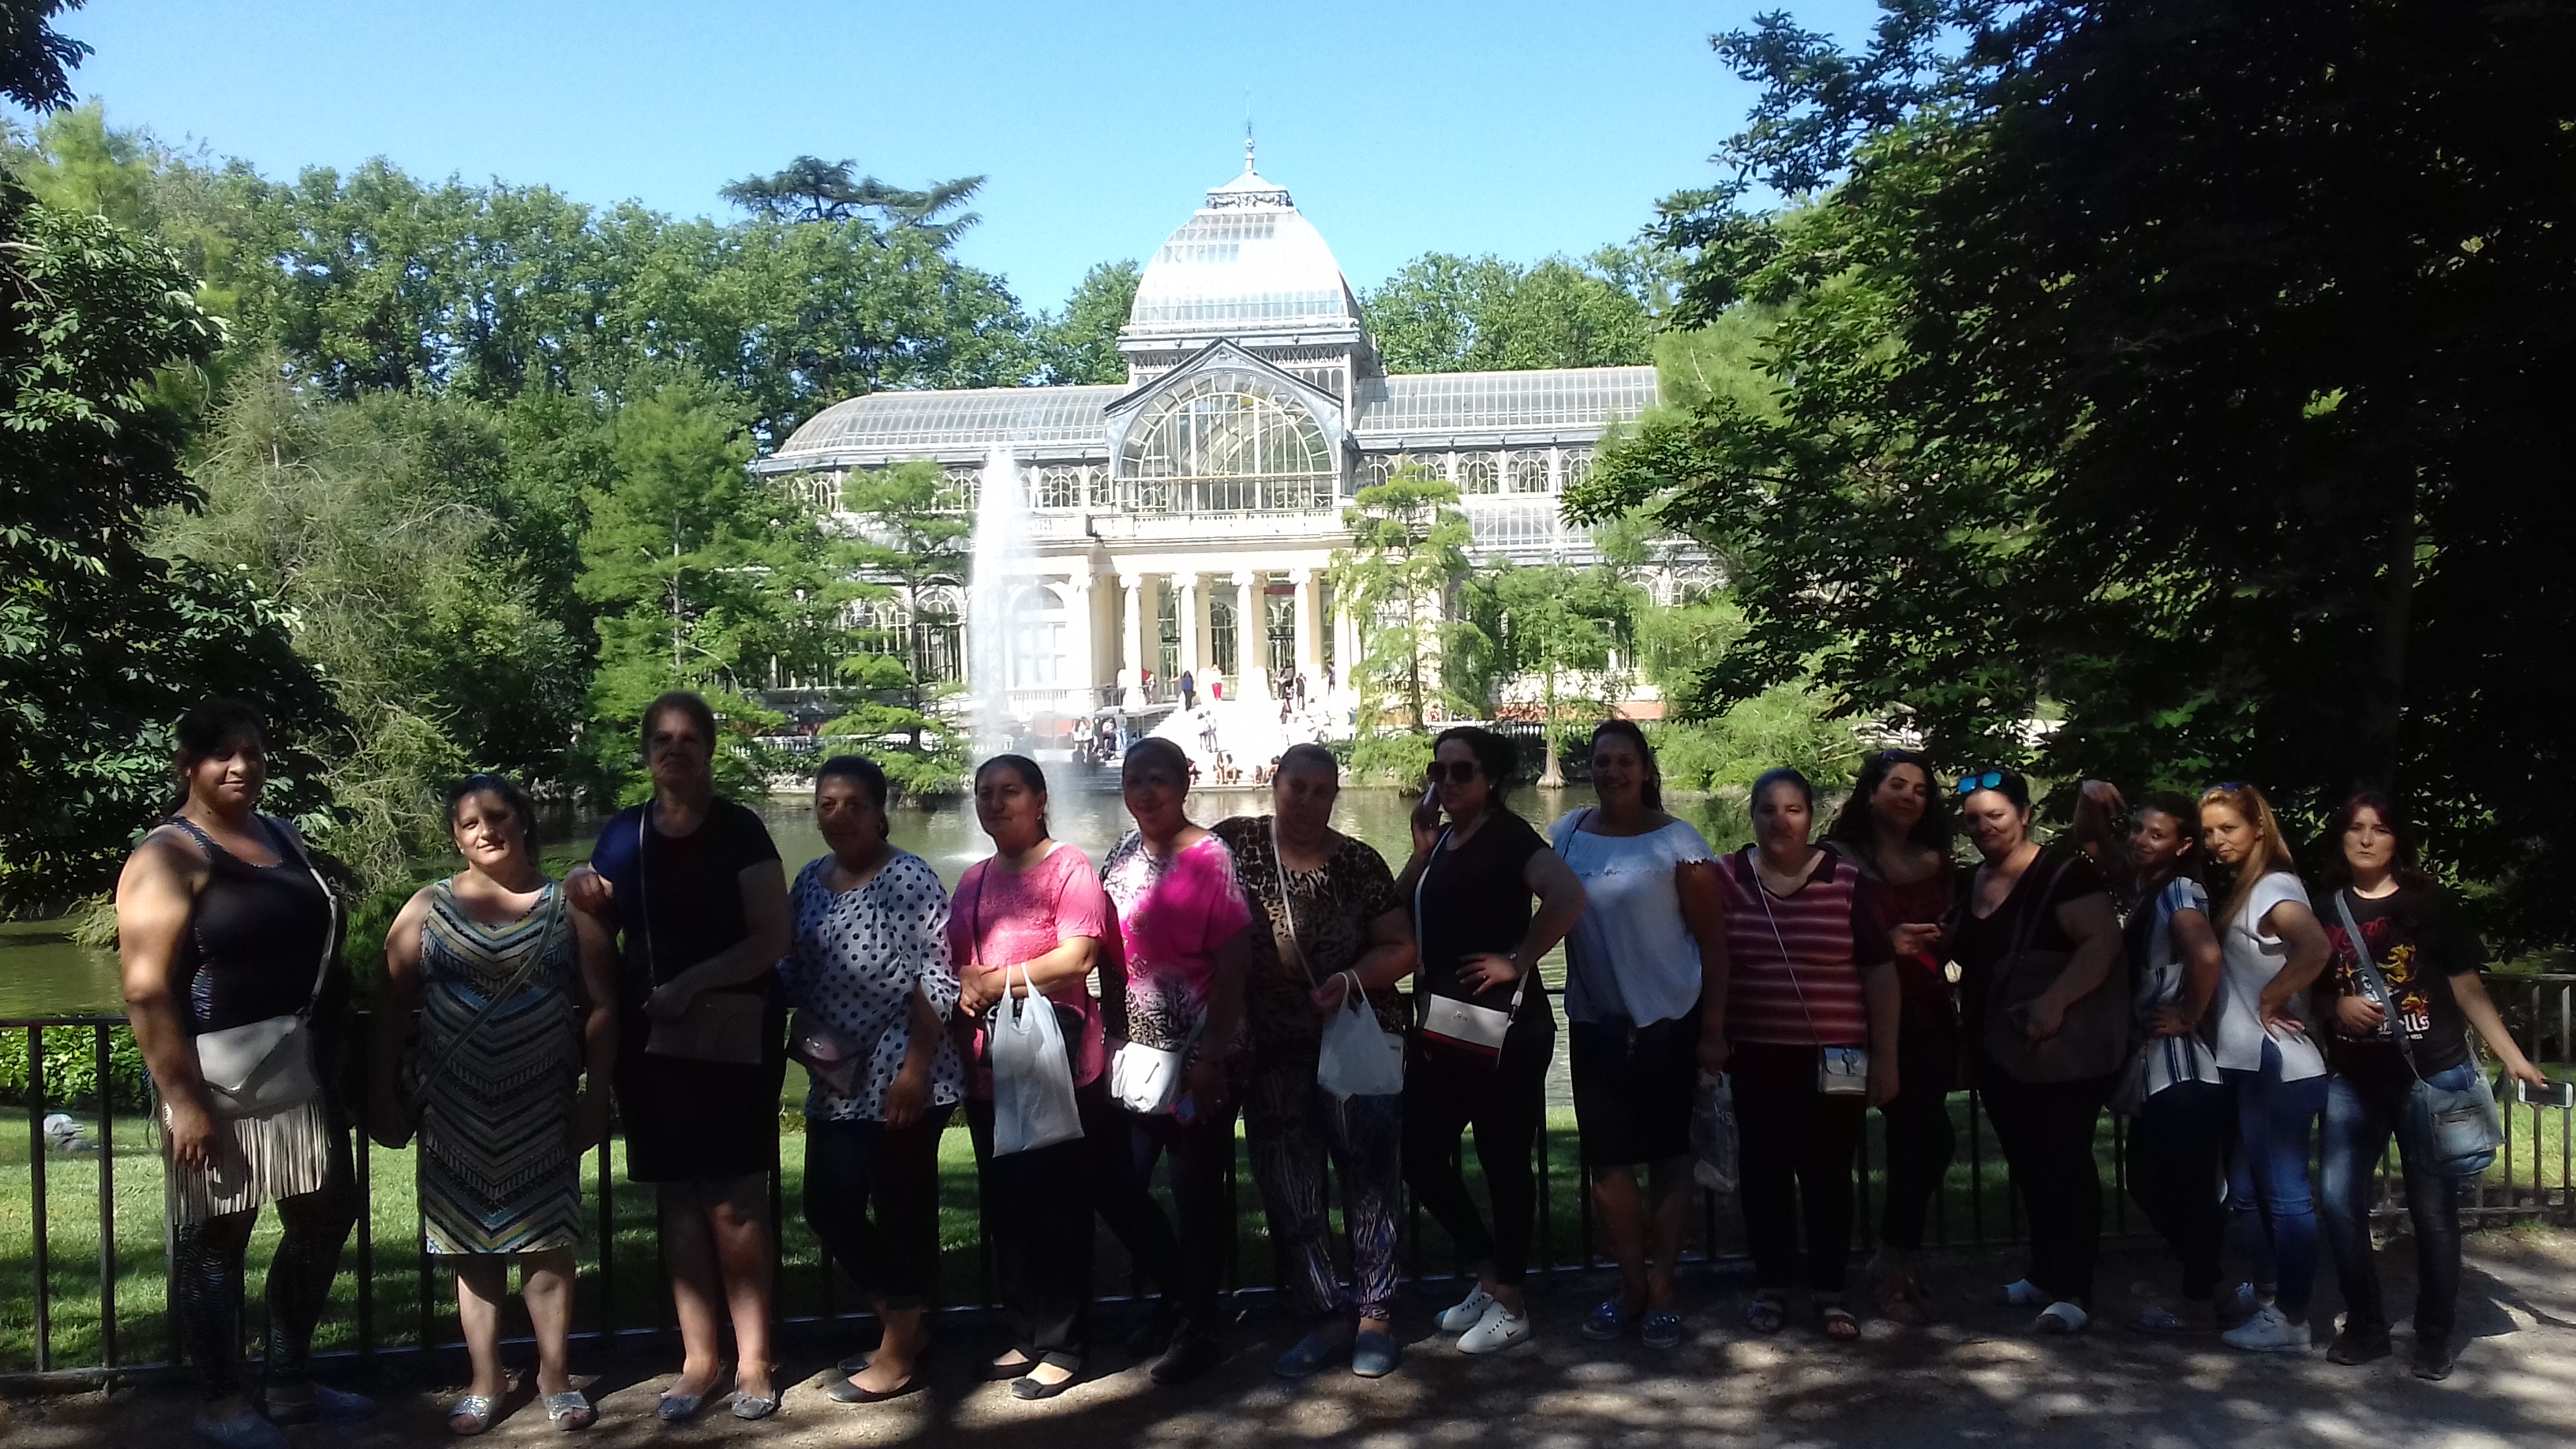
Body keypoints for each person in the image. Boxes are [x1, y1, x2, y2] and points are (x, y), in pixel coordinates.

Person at [119, 699, 373, 1449]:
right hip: (212, 1078)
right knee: (218, 1238)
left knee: (327, 1214)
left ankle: (289, 1376)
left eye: (254, 751)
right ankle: (222, 1400)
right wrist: (183, 1103)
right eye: (223, 753)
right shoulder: (166, 855)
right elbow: (145, 988)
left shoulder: (281, 836)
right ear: (187, 766)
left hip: (294, 1069)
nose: (242, 765)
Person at [370, 774, 618, 1434]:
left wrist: (596, 1100)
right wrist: (382, 1093)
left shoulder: (568, 908)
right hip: (454, 1113)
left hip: (544, 1107)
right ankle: (485, 1379)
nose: (487, 831)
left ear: (523, 821)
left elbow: (602, 1009)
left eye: (498, 817)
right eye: (471, 822)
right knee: (469, 1251)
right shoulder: (427, 907)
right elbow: (391, 1009)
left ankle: (555, 1378)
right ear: (455, 835)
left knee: (547, 1247)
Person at [567, 691, 791, 1421]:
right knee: (679, 1202)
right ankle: (700, 1360)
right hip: (652, 1045)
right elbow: (595, 921)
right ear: (646, 752)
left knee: (734, 1202)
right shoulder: (624, 836)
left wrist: (693, 982)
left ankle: (755, 1359)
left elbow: (770, 937)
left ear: (710, 749)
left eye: (690, 738)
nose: (676, 750)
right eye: (662, 738)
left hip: (729, 1036)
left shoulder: (741, 832)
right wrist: (577, 885)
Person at [953, 754, 1170, 1400]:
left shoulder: (1069, 868)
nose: (996, 803)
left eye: (1010, 791)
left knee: (1059, 1204)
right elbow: (959, 962)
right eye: (985, 793)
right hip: (993, 1064)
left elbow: (1077, 957)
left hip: (1057, 1065)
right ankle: (1024, 1331)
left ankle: (1065, 1342)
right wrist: (970, 986)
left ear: (1040, 798)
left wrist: (996, 980)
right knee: (1008, 1205)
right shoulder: (973, 879)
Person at [2314, 792, 2548, 1380]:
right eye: (2356, 829)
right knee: (2338, 1200)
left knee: (2433, 1213)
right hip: (2355, 1078)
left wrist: (2513, 1057)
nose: (2367, 839)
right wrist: (2335, 1003)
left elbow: (2468, 987)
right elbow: (2309, 985)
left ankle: (2434, 1333)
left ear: (2398, 839)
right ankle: (2366, 1326)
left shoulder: (2428, 902)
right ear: (2341, 839)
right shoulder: (2324, 906)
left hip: (2431, 1076)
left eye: (2380, 829)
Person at [1213, 744, 1417, 1380]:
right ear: (1274, 784)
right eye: (1295, 787)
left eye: (1320, 791)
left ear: (1335, 796)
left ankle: (1376, 1311)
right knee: (1289, 1183)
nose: (1305, 801)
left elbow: (1402, 948)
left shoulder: (1357, 862)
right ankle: (1323, 1311)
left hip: (1353, 1042)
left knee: (1370, 1174)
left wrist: (1350, 981)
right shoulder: (1234, 846)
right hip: (1274, 1050)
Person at [778, 757, 962, 1404]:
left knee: (902, 1208)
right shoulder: (810, 880)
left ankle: (898, 1358)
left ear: (880, 810)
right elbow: (793, 968)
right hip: (838, 1076)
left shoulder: (908, 878)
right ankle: (904, 1332)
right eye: (827, 804)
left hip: (902, 1070)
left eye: (854, 804)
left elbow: (937, 980)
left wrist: (914, 1073)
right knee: (828, 1207)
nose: (839, 816)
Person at [1398, 727, 1587, 1353]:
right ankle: (1488, 1271)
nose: (1446, 783)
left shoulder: (1511, 837)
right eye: (1440, 770)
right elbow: (1400, 915)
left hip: (1506, 1031)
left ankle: (1511, 1300)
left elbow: (1567, 896)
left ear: (1492, 781)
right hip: (1444, 1027)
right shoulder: (1444, 840)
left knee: (1505, 1162)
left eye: (1462, 772)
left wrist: (1519, 958)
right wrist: (1421, 852)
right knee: (1420, 1155)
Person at [1712, 767, 1900, 1342]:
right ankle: (1771, 1284)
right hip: (1757, 1055)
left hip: (1835, 1058)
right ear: (1753, 815)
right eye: (1768, 809)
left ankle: (1828, 1289)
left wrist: (1886, 1057)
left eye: (1793, 809)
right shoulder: (1725, 878)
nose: (1780, 821)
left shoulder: (1846, 881)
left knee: (1828, 1176)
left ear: (1811, 817)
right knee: (1763, 1175)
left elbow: (1879, 972)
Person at [1551, 721, 1720, 1350]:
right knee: (1608, 1166)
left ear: (1646, 768)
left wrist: (1715, 1030)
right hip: (1598, 1025)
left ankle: (1664, 1286)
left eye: (1625, 761)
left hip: (1670, 1025)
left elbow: (1714, 945)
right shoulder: (1565, 835)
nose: (1613, 772)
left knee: (1671, 1159)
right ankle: (1629, 1285)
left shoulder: (1679, 842)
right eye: (1602, 761)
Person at [1098, 737, 1256, 1384]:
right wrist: (1107, 1036)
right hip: (1138, 1056)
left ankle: (1202, 1326)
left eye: (1158, 779)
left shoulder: (1210, 858)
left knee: (1195, 1190)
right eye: (1135, 780)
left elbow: (1236, 962)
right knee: (1115, 1182)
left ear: (1185, 783)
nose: (1146, 792)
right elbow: (1106, 954)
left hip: (1201, 1056)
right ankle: (1175, 1294)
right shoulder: (1121, 855)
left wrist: (1214, 1055)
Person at [1949, 769, 2125, 1334]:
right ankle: (2046, 1271)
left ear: (2025, 814)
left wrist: (2056, 1000)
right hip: (1999, 1046)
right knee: (2028, 1162)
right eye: (1974, 819)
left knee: (2065, 1161)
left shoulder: (2063, 874)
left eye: (1996, 816)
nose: (1984, 828)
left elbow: (2103, 942)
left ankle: (2074, 1287)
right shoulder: (1973, 878)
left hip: (2057, 1047)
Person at [1820, 748, 1956, 1320]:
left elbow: (1960, 930)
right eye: (1896, 785)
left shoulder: (1939, 862)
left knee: (1927, 1140)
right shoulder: (1833, 860)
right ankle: (1826, 1272)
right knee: (1832, 1144)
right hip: (1845, 1023)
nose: (1908, 796)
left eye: (1920, 790)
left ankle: (1896, 1255)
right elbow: (1813, 934)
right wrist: (1882, 943)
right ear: (1870, 794)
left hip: (1924, 1019)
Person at [2198, 781, 2331, 1353]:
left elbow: (2316, 948)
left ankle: (2294, 1320)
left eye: (2227, 828)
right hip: (2248, 1063)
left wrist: (2275, 995)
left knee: (2286, 1196)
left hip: (2276, 1064)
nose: (2216, 840)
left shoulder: (2274, 885)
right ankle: (2270, 1294)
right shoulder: (2249, 888)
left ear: (2257, 827)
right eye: (2207, 832)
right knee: (2248, 1193)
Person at [2117, 793, 2229, 1333]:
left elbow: (2206, 954)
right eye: (2137, 828)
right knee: (2148, 1181)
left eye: (2155, 834)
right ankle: (2205, 1283)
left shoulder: (2179, 890)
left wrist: (2189, 1013)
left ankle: (2202, 1297)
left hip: (2181, 1070)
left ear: (2184, 845)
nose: (2140, 840)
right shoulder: (2148, 890)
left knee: (2180, 1187)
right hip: (2160, 1067)